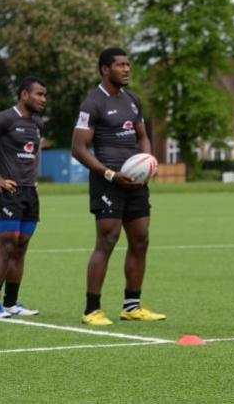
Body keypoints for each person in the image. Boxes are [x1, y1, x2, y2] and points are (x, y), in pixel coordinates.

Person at [72, 47, 165, 326]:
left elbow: (143, 137)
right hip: (108, 183)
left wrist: (147, 163)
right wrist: (111, 174)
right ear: (105, 69)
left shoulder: (133, 100)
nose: (126, 69)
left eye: (128, 64)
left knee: (141, 240)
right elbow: (78, 148)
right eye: (120, 65)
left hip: (135, 183)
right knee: (107, 241)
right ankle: (92, 309)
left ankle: (132, 306)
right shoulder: (93, 103)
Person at [0, 76, 47, 319]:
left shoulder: (38, 124)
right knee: (6, 245)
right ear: (24, 94)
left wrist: (34, 181)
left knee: (21, 247)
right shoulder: (3, 118)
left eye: (45, 95)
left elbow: (35, 154)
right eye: (39, 94)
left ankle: (11, 303)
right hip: (8, 192)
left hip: (29, 192)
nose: (43, 100)